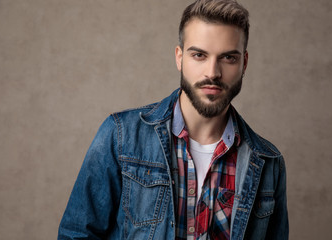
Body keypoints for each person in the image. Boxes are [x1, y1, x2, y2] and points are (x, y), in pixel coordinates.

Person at [58, 0, 288, 239]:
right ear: (179, 58)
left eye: (228, 58)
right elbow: (76, 234)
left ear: (244, 63)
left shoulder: (268, 162)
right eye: (199, 55)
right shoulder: (121, 136)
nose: (212, 72)